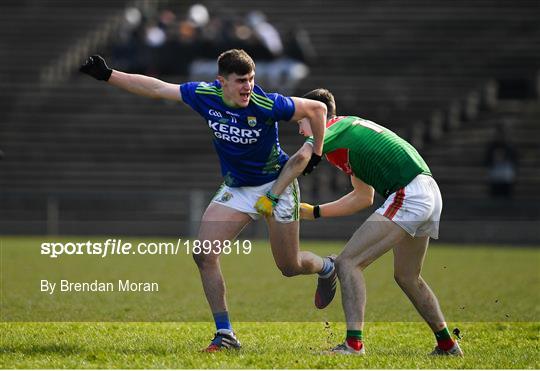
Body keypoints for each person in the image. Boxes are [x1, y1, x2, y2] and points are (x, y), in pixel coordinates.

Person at [79, 50, 337, 352]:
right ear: (221, 82)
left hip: (276, 185)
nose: (248, 87)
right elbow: (157, 88)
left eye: (251, 79)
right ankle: (225, 334)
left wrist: (316, 152)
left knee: (290, 266)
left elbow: (318, 109)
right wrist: (109, 75)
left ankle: (325, 267)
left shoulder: (267, 103)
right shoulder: (204, 95)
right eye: (241, 81)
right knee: (203, 254)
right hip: (238, 188)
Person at [255, 88, 463, 356]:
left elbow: (300, 159)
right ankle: (447, 345)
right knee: (407, 276)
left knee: (347, 263)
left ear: (317, 114)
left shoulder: (332, 128)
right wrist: (315, 212)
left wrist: (272, 196)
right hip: (426, 190)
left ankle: (354, 345)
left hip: (410, 193)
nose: (299, 129)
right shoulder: (345, 135)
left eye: (301, 121)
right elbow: (363, 197)